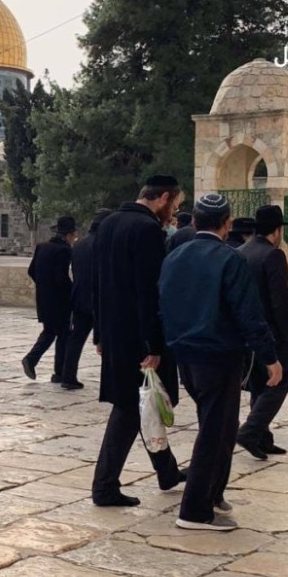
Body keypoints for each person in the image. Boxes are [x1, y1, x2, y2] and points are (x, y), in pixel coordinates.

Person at [160, 193, 281, 531]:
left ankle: (213, 493)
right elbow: (248, 313)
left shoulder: (174, 257)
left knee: (221, 427)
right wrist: (270, 357)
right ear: (227, 224)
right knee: (214, 432)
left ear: (195, 221)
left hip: (186, 357)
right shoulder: (230, 259)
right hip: (218, 356)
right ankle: (194, 511)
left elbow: (163, 305)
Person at [91, 178, 187, 507]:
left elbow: (98, 284)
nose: (173, 213)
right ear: (163, 198)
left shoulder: (109, 224)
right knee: (130, 408)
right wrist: (154, 346)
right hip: (138, 337)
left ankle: (167, 471)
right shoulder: (146, 230)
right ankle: (104, 486)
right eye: (174, 205)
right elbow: (149, 293)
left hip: (115, 333)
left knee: (148, 402)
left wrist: (100, 333)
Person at [235, 205, 288, 460]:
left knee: (260, 384)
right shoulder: (273, 255)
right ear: (278, 230)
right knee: (279, 382)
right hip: (273, 334)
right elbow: (280, 301)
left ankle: (263, 437)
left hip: (249, 332)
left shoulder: (241, 251)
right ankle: (250, 431)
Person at [61, 208, 111, 390]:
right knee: (107, 340)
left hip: (80, 296)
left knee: (76, 338)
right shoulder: (105, 244)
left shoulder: (79, 243)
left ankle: (68, 376)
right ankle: (110, 380)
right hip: (100, 299)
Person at [22, 216, 77, 383]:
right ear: (68, 235)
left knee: (50, 331)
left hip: (43, 298)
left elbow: (31, 271)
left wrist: (44, 287)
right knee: (63, 334)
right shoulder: (64, 250)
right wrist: (72, 291)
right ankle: (58, 372)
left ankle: (32, 360)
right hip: (59, 301)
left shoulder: (42, 247)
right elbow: (61, 277)